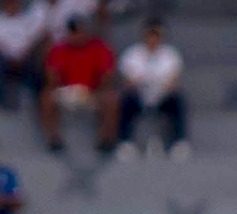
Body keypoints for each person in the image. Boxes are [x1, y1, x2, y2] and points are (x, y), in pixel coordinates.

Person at [38, 14, 115, 155]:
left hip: (92, 91)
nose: (77, 35)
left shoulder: (99, 47)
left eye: (80, 31)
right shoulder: (59, 48)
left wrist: (96, 89)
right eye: (74, 32)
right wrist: (57, 84)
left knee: (111, 99)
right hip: (67, 91)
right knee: (46, 96)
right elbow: (51, 74)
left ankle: (105, 139)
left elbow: (107, 74)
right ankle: (54, 139)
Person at [115, 17, 186, 160]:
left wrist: (161, 87)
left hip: (162, 97)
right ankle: (125, 142)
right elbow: (128, 81)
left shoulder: (170, 54)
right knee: (126, 100)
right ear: (144, 35)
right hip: (140, 96)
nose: (153, 38)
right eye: (150, 34)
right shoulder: (132, 54)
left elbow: (174, 81)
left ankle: (179, 143)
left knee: (177, 100)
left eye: (157, 34)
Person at [0, 0, 50, 114]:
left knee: (36, 66)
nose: (12, 6)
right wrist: (9, 55)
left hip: (25, 56)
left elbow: (31, 40)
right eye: (9, 4)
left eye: (14, 3)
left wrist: (23, 54)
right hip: (4, 57)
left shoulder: (26, 20)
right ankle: (4, 102)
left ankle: (34, 103)